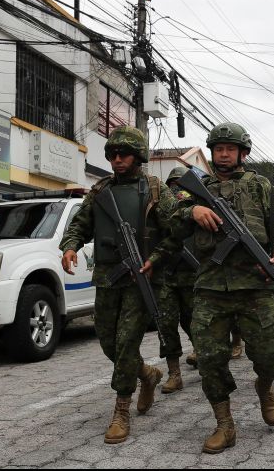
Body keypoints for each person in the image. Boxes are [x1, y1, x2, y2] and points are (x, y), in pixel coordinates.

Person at [169, 122, 274, 454]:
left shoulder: (262, 187)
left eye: (230, 148)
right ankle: (224, 425)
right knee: (210, 359)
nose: (223, 154)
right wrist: (192, 209)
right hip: (211, 286)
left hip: (257, 285)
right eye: (218, 149)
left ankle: (265, 386)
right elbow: (169, 218)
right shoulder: (197, 188)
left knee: (271, 356)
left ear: (242, 153)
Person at [59, 126, 179, 444]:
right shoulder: (99, 191)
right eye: (112, 154)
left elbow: (175, 231)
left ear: (138, 156)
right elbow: (80, 225)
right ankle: (147, 374)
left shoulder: (154, 190)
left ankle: (121, 409)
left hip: (141, 280)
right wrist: (70, 246)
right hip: (107, 278)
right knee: (109, 344)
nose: (117, 159)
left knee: (126, 344)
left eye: (123, 154)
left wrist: (156, 257)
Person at [160, 166, 198, 390]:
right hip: (167, 274)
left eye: (181, 185)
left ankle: (201, 352)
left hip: (192, 274)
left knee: (193, 321)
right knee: (166, 325)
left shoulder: (198, 206)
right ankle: (174, 372)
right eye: (173, 185)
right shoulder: (161, 206)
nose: (178, 191)